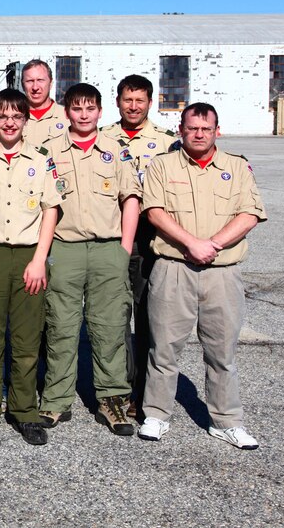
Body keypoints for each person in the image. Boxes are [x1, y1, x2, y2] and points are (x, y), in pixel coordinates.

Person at [137, 103, 266, 449]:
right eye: (192, 128)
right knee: (163, 348)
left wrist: (212, 245)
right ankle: (157, 414)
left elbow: (249, 213)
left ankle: (226, 421)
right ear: (181, 129)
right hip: (174, 268)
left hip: (221, 272)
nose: (198, 134)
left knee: (222, 353)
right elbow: (154, 211)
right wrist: (191, 244)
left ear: (216, 131)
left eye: (205, 129)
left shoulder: (236, 167)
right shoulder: (162, 165)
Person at [40, 84, 141, 436]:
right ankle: (56, 398)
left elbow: (131, 198)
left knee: (110, 327)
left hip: (107, 250)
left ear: (100, 111)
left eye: (90, 108)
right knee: (61, 327)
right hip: (64, 248)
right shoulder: (49, 151)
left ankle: (112, 399)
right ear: (66, 111)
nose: (84, 115)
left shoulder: (116, 151)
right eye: (77, 108)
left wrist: (124, 249)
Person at [0, 89, 61, 446]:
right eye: (2, 115)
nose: (8, 122)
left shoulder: (40, 159)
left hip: (27, 256)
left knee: (26, 339)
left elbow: (51, 210)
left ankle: (24, 411)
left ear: (25, 120)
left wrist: (39, 260)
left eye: (16, 117)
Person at [100, 74, 177, 416]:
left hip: (151, 239)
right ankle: (117, 387)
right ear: (118, 101)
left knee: (148, 319)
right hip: (113, 235)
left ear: (150, 102)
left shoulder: (166, 142)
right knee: (115, 317)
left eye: (140, 100)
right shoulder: (103, 139)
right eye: (127, 100)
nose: (133, 106)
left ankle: (142, 393)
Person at [20, 60, 67, 145]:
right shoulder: (12, 118)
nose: (35, 87)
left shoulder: (67, 117)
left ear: (51, 83)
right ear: (23, 85)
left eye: (40, 80)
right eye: (30, 81)